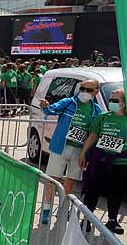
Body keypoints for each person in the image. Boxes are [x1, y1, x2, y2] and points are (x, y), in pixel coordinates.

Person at [38, 79, 105, 223]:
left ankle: (63, 208)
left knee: (70, 181)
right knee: (53, 179)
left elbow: (94, 133)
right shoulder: (68, 102)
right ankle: (46, 209)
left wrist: (85, 153)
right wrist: (45, 105)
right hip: (60, 146)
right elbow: (51, 109)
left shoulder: (97, 110)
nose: (84, 92)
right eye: (82, 88)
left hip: (79, 150)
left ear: (96, 92)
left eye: (88, 90)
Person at [79, 87, 127, 234]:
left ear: (124, 103)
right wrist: (83, 153)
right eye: (110, 99)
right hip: (100, 161)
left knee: (116, 193)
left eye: (115, 100)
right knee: (92, 191)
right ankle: (87, 219)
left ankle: (112, 220)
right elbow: (93, 136)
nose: (111, 102)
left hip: (121, 164)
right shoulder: (103, 117)